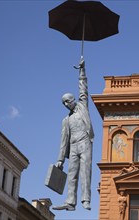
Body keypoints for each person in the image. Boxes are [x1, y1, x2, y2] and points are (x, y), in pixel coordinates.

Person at [53, 58, 94, 211]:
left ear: (73, 99)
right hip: (73, 146)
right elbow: (63, 141)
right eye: (63, 103)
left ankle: (86, 200)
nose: (65, 104)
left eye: (67, 101)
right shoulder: (66, 120)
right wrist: (60, 159)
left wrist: (82, 70)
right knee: (72, 174)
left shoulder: (83, 106)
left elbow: (83, 88)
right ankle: (70, 202)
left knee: (85, 171)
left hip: (85, 142)